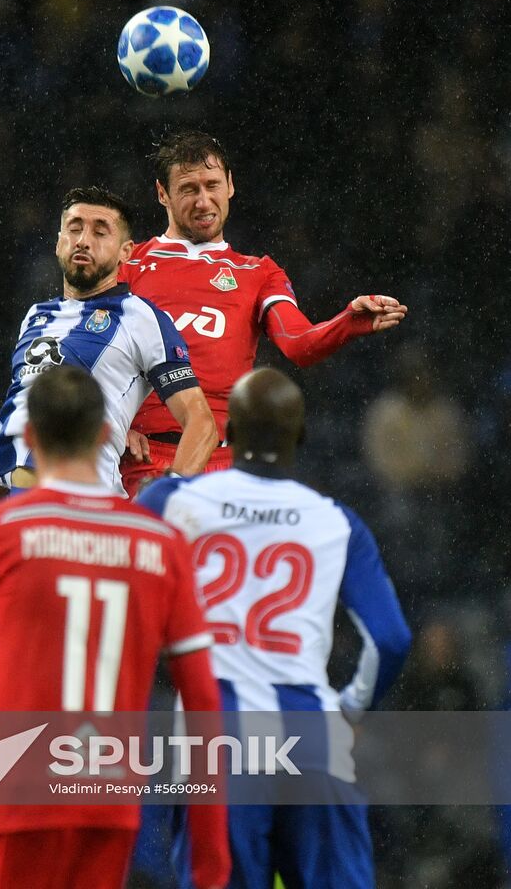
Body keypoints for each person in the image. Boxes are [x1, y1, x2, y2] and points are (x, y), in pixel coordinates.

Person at [0, 366, 230, 889]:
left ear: (30, 437)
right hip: (105, 798)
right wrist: (210, 860)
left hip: (12, 788)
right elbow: (203, 704)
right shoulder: (159, 545)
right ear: (107, 432)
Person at [138, 368, 412, 889]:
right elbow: (391, 638)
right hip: (312, 730)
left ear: (229, 433)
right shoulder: (338, 521)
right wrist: (350, 708)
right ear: (301, 435)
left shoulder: (169, 502)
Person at [0, 186, 216, 578]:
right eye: (74, 228)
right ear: (58, 242)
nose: (84, 240)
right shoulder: (34, 317)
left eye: (101, 231)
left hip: (87, 520)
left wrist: (164, 508)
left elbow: (202, 423)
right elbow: (13, 437)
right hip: (23, 511)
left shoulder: (141, 319)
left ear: (126, 252)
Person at [119, 130, 408, 497]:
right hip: (140, 460)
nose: (204, 200)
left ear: (230, 186)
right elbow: (81, 352)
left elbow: (299, 344)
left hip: (223, 466)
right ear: (163, 194)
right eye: (189, 189)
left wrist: (347, 322)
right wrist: (107, 424)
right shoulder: (128, 265)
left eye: (212, 185)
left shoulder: (259, 273)